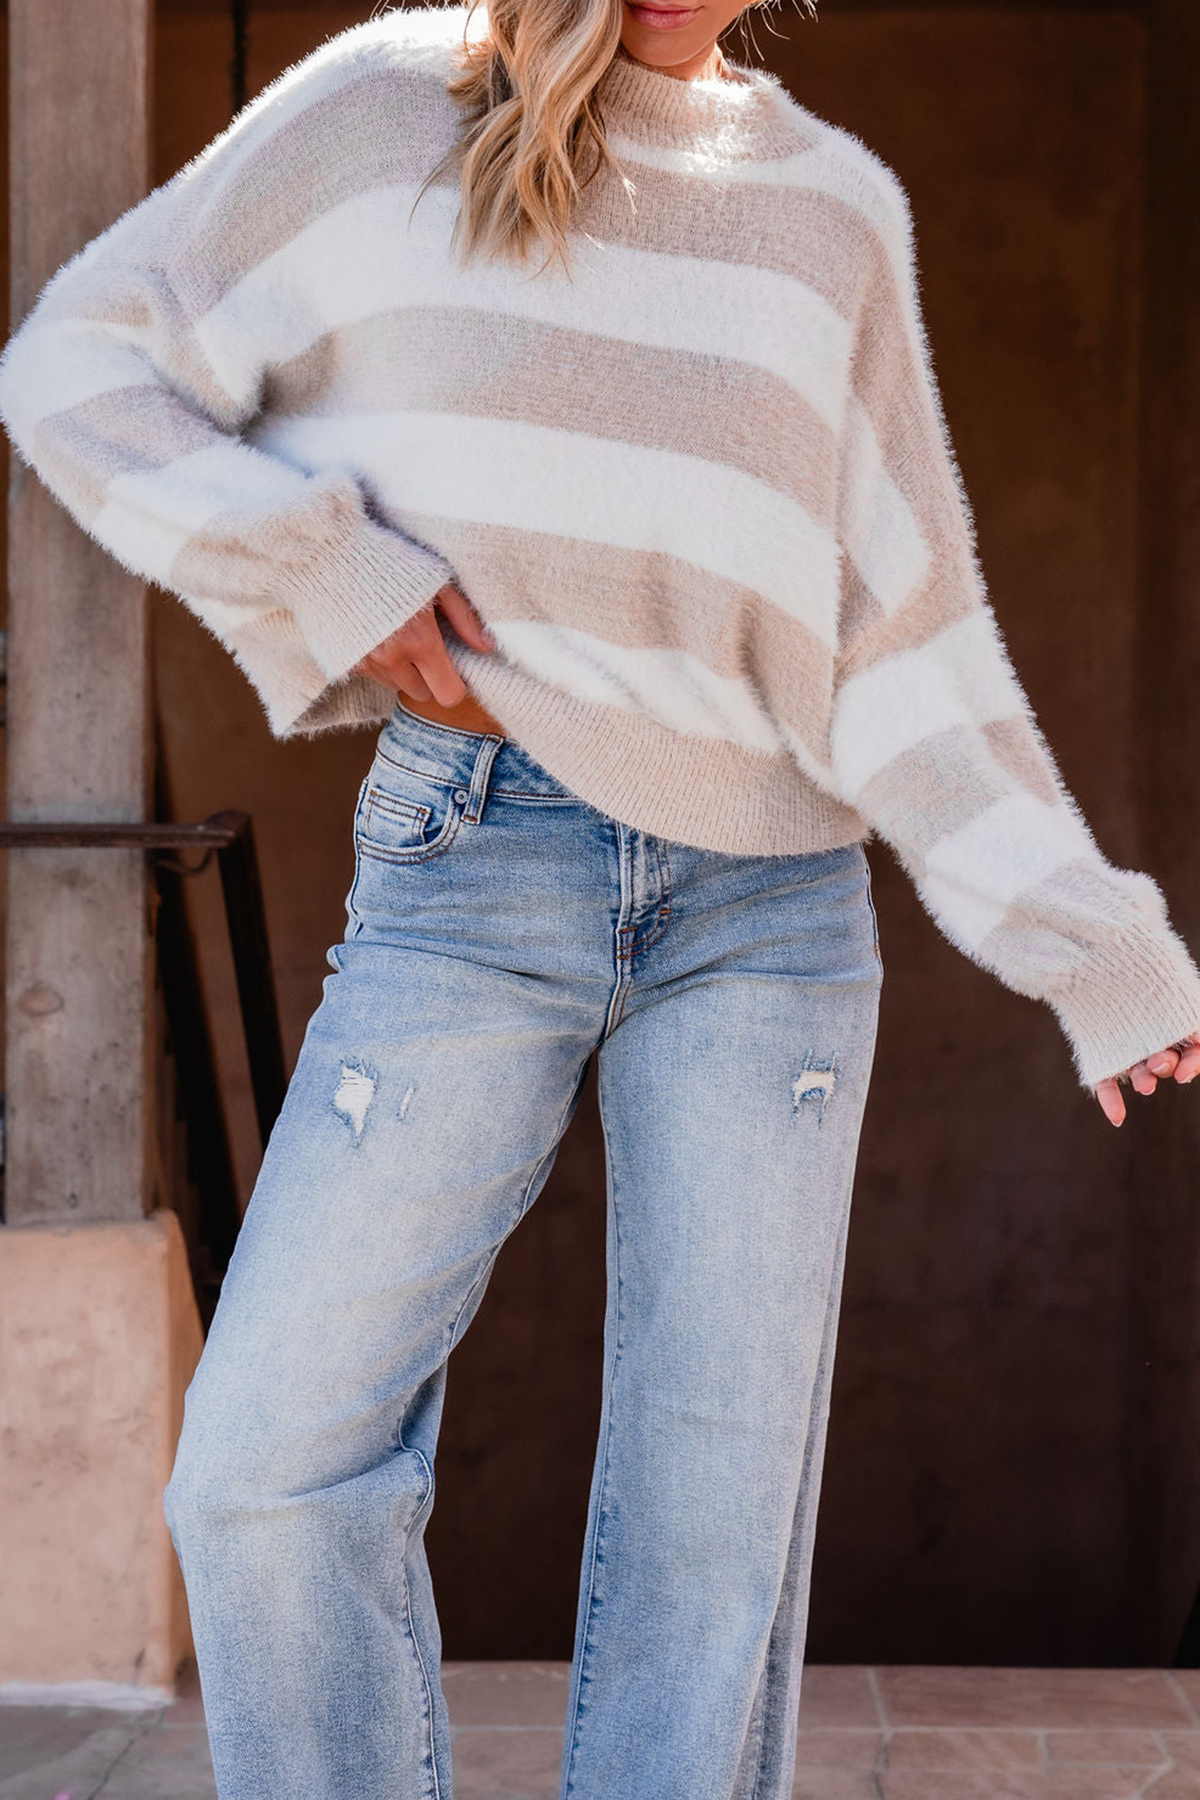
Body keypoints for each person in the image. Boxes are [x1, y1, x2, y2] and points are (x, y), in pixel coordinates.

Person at [1, 0, 1197, 1793]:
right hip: (474, 861)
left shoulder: (828, 211)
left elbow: (901, 639)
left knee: (710, 1552)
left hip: (773, 915)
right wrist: (333, 575)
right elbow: (79, 359)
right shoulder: (396, 105)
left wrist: (1090, 940)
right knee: (259, 1467)